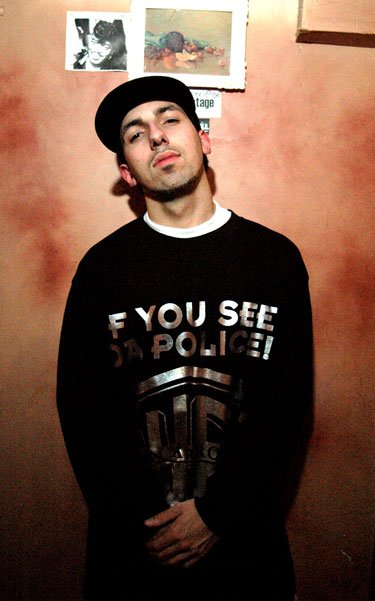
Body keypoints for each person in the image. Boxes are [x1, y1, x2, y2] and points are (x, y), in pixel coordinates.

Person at [57, 75, 313, 601]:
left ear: (204, 140)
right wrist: (151, 524)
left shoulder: (274, 260)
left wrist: (218, 515)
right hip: (136, 550)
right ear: (128, 173)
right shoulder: (101, 269)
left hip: (246, 546)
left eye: (170, 119)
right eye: (136, 133)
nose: (156, 135)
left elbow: (285, 407)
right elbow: (85, 413)